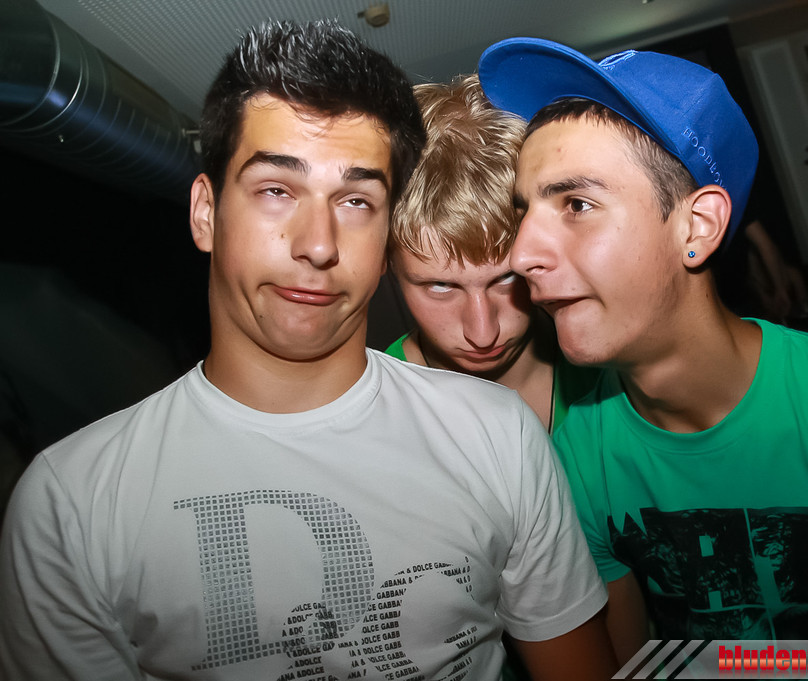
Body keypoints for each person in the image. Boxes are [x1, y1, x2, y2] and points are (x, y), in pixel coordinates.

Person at [0, 22, 616, 681]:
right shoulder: (71, 504)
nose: (318, 243)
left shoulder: (498, 433)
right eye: (276, 190)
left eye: (356, 200)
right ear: (205, 212)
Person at [478, 38, 808, 661]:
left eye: (577, 205)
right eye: (524, 212)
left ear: (697, 226)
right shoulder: (581, 446)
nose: (521, 254)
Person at [386, 74, 599, 434]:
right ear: (387, 265)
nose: (483, 333)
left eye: (507, 278)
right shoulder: (381, 412)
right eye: (441, 286)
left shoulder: (618, 370)